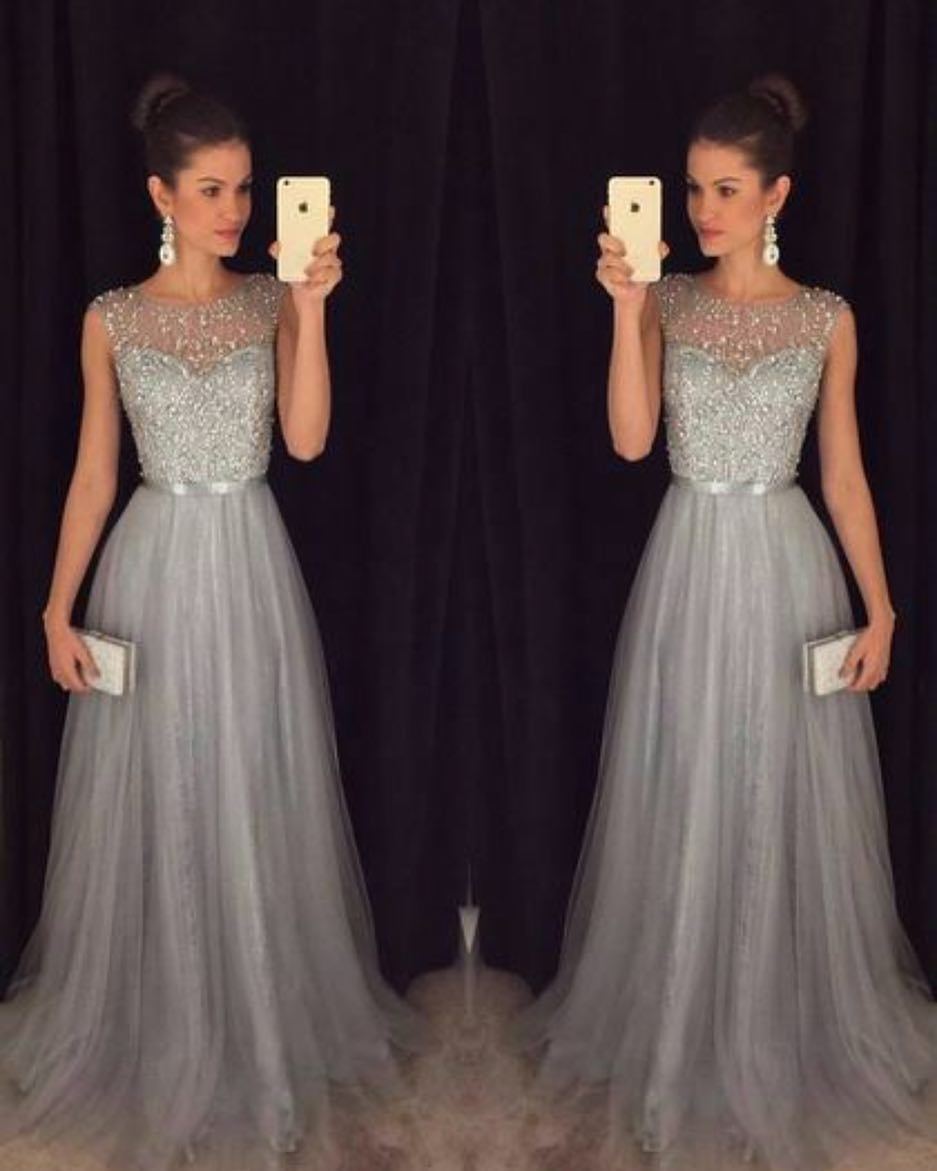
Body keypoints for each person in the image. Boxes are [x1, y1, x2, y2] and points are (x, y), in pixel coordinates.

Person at [0, 74, 422, 1170]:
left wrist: (312, 310)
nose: (233, 209)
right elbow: (94, 473)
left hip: (246, 564)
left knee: (248, 785)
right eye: (211, 190)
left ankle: (254, 1033)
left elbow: (307, 439)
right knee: (157, 793)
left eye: (242, 188)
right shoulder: (111, 318)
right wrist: (55, 608)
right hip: (147, 567)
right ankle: (166, 1032)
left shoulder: (268, 299)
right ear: (162, 194)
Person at [516, 74, 937, 1170]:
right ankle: (682, 1035)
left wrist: (881, 608)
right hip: (691, 564)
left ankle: (770, 1033)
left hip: (789, 567)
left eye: (726, 190)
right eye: (695, 188)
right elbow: (629, 440)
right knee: (689, 785)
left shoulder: (825, 318)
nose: (704, 209)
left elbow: (843, 473)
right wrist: (625, 310)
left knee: (779, 794)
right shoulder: (668, 300)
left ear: (775, 194)